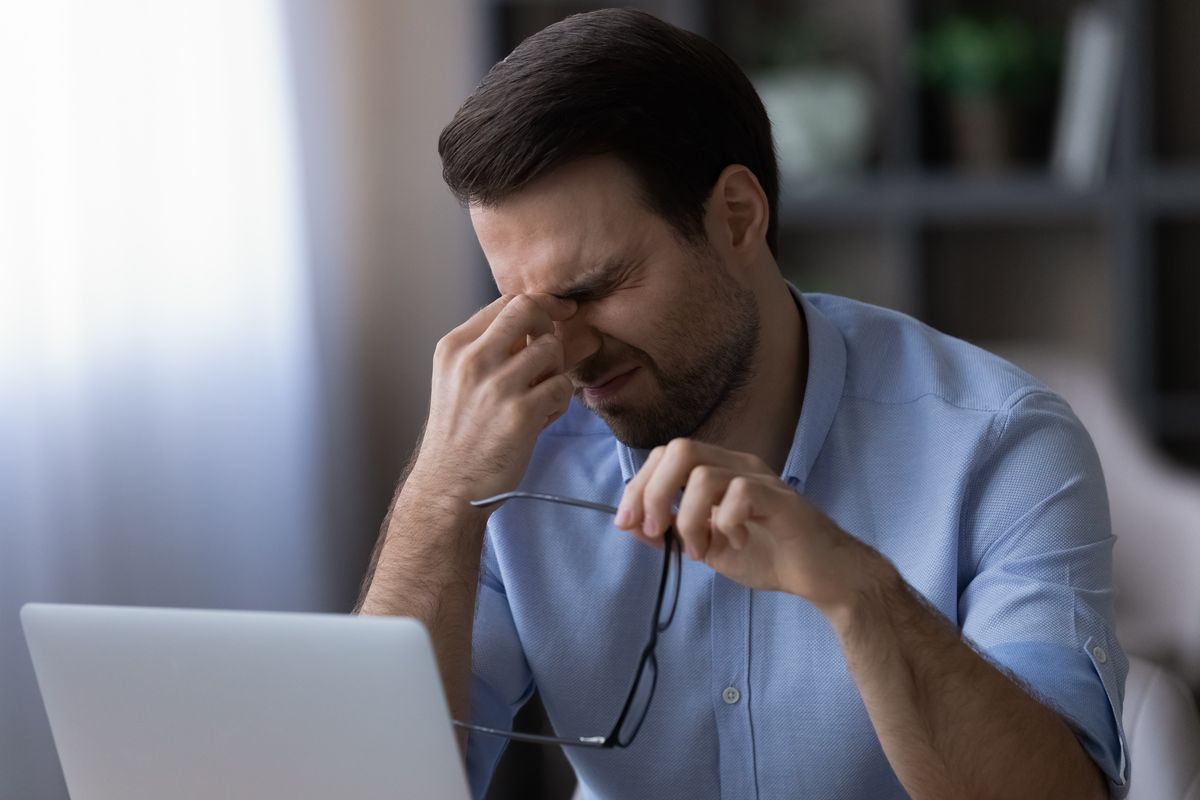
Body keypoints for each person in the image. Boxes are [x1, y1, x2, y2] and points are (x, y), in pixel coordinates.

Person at [356, 8, 1128, 799]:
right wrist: (439, 498)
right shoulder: (510, 450)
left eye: (593, 290)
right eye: (527, 307)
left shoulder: (1001, 444)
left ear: (736, 217)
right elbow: (369, 788)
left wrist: (859, 593)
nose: (571, 351)